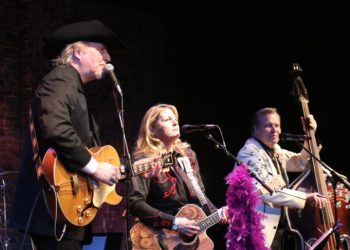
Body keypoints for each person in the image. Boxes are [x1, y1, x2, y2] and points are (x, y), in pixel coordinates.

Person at [10, 20, 125, 250]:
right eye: (102, 49)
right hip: (51, 213)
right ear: (79, 52)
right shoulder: (61, 79)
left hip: (66, 214)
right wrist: (95, 168)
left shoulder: (72, 86)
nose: (108, 57)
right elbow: (57, 128)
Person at [129, 103, 228, 248]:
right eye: (167, 119)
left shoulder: (187, 156)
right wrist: (174, 223)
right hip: (157, 239)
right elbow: (135, 203)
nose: (175, 122)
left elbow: (201, 196)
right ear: (152, 130)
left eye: (175, 118)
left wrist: (217, 214)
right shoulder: (145, 160)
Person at [236, 107, 329, 249]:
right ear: (255, 130)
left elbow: (301, 161)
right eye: (268, 125)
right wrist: (306, 197)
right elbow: (268, 191)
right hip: (256, 230)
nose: (275, 130)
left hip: (278, 228)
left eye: (277, 125)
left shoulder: (275, 150)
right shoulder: (249, 153)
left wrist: (310, 134)